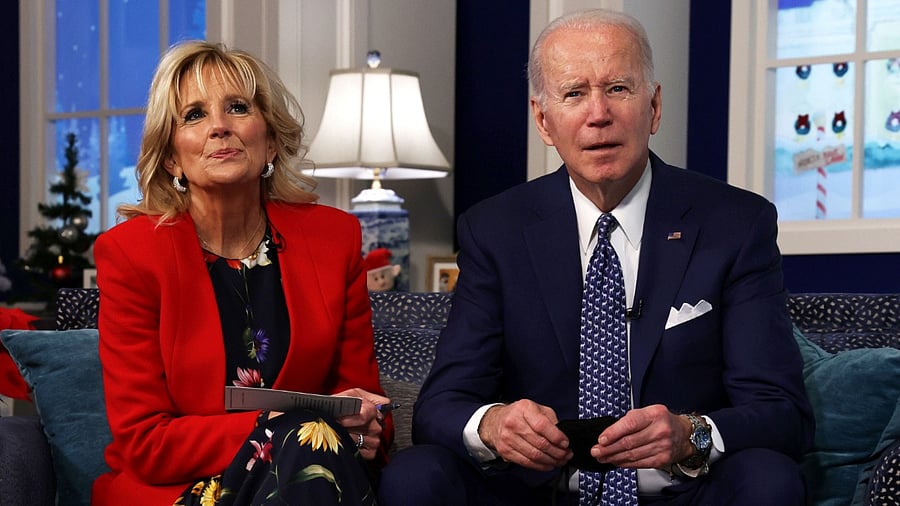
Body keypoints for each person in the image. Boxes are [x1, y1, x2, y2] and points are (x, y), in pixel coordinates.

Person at [379, 9, 813, 505]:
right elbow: (439, 407)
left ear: (653, 107)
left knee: (770, 479)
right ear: (544, 120)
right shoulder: (495, 231)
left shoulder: (736, 224)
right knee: (417, 474)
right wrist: (495, 424)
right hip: (539, 492)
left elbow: (784, 414)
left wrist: (690, 432)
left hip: (682, 491)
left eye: (618, 89)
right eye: (574, 93)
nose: (598, 114)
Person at [92, 41, 393, 505]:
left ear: (269, 140)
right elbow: (145, 444)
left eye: (237, 108)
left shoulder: (335, 240)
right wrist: (283, 426)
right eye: (194, 115)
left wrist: (365, 425)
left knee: (309, 457)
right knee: (304, 442)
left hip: (316, 474)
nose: (219, 127)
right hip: (184, 488)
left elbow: (368, 405)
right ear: (172, 158)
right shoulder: (131, 255)